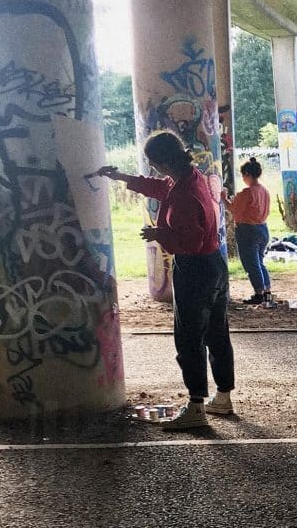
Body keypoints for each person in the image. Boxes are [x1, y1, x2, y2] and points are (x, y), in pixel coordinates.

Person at [97, 131, 235, 430]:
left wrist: (160, 234)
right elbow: (161, 188)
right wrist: (122, 177)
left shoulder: (184, 195)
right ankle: (222, 398)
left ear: (162, 161)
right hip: (215, 266)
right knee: (216, 334)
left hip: (195, 269)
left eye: (152, 162)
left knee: (189, 339)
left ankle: (196, 405)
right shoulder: (188, 178)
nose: (152, 168)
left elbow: (192, 241)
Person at [222, 157, 272, 306]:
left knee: (252, 265)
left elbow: (232, 208)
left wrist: (223, 198)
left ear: (248, 174)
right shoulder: (264, 190)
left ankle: (258, 293)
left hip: (247, 230)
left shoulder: (247, 192)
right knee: (260, 262)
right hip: (263, 228)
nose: (243, 178)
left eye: (243, 175)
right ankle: (267, 293)